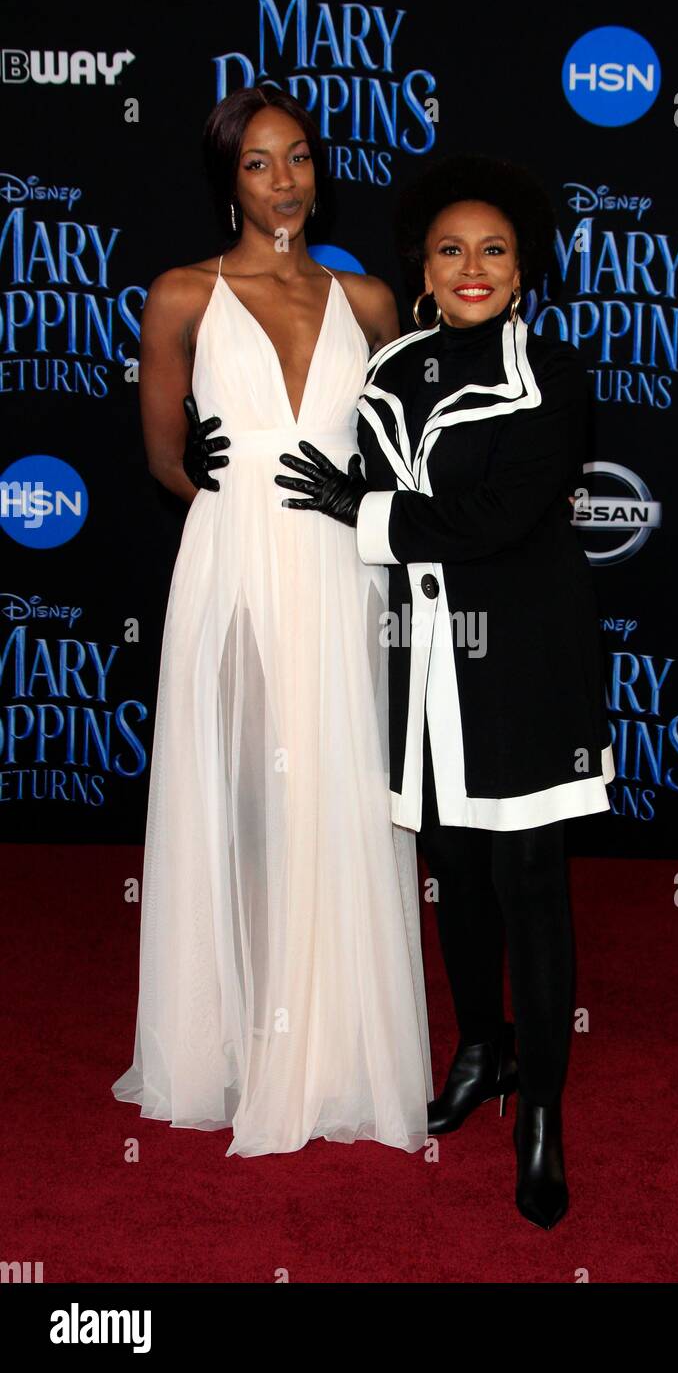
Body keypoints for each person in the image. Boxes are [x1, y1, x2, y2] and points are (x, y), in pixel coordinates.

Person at [275, 153, 614, 1227]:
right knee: (452, 868)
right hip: (419, 660)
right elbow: (307, 443)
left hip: (520, 664)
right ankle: (481, 1049)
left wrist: (362, 513)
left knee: (528, 879)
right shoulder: (390, 371)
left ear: (523, 269)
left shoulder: (551, 375)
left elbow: (500, 521)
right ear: (420, 270)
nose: (473, 267)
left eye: (495, 249)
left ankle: (544, 1114)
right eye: (450, 250)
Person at [111, 86, 432, 1156]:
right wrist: (206, 479)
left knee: (339, 790)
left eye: (297, 157)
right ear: (227, 178)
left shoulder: (374, 300)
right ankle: (243, 1038)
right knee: (245, 793)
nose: (284, 178)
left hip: (340, 567)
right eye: (258, 163)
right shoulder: (181, 296)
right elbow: (163, 454)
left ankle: (336, 1043)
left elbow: (407, 443)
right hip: (236, 559)